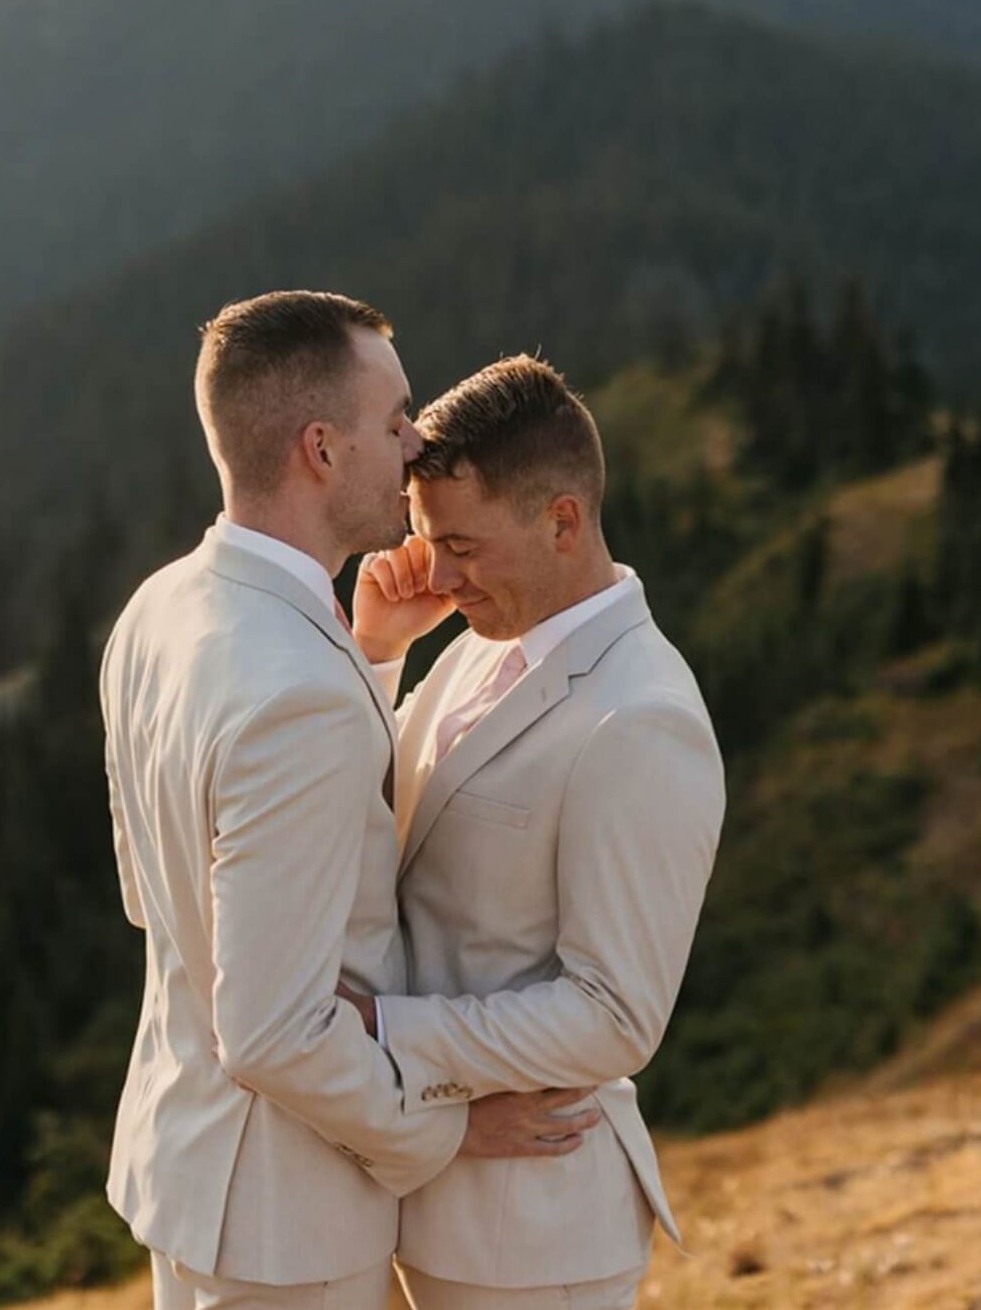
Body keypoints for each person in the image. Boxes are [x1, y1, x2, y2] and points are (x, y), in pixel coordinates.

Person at [101, 294, 588, 1310]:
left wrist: (371, 656)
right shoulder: (298, 696)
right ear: (320, 447)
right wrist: (444, 1126)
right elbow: (275, 1032)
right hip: (290, 1222)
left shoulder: (160, 609)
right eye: (396, 418)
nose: (415, 444)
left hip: (185, 1167)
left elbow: (160, 890)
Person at [346, 353, 727, 1310]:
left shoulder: (642, 717)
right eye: (428, 538)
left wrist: (384, 1034)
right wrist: (379, 655)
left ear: (562, 519)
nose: (436, 571)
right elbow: (379, 829)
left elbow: (614, 1014)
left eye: (463, 544)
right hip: (407, 1194)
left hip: (532, 1236)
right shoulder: (475, 649)